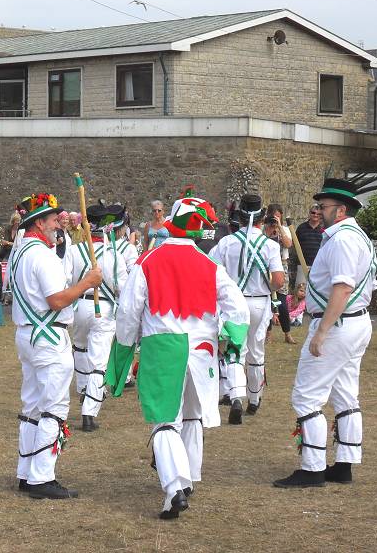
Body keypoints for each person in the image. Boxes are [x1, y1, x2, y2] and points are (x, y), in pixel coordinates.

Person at [107, 196, 249, 520]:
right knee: (191, 415)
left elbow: (128, 313)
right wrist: (230, 337)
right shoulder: (210, 265)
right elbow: (238, 309)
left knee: (164, 419)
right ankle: (188, 479)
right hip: (202, 350)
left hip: (163, 347)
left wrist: (125, 348)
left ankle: (174, 489)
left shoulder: (148, 261)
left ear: (171, 220)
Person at [274, 175, 377, 489]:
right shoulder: (358, 237)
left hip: (337, 325)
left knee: (307, 397)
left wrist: (321, 331)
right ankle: (345, 464)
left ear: (342, 209)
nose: (318, 211)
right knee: (345, 393)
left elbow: (343, 287)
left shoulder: (343, 239)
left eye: (323, 206)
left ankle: (312, 469)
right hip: (354, 323)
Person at [8, 192, 102, 500]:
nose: (57, 225)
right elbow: (56, 300)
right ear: (38, 223)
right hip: (48, 338)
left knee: (32, 404)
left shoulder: (19, 252)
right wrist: (87, 283)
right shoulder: (42, 255)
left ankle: (26, 472)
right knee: (54, 406)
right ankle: (42, 477)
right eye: (52, 220)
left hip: (28, 335)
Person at [209, 194, 284, 423]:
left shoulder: (226, 243)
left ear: (238, 218)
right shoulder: (270, 246)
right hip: (259, 302)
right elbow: (279, 281)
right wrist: (264, 286)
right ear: (263, 218)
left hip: (233, 304)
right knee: (256, 351)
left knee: (235, 350)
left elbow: (211, 272)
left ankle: (236, 397)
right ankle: (254, 399)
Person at [63, 202, 137, 432]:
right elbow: (124, 289)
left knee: (81, 351)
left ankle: (85, 391)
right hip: (103, 311)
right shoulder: (115, 254)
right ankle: (89, 412)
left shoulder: (74, 251)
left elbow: (65, 282)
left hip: (79, 309)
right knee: (98, 362)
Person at [265, 203, 295, 344]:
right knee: (268, 301)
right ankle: (268, 333)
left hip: (281, 265)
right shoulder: (265, 229)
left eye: (278, 216)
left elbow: (289, 244)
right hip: (266, 266)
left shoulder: (284, 229)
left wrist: (279, 229)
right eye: (273, 216)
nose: (275, 218)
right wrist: (270, 230)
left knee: (281, 303)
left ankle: (287, 333)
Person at [294, 204, 324, 286]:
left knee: (316, 289)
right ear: (309, 213)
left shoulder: (324, 229)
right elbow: (296, 245)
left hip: (319, 266)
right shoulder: (301, 228)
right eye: (313, 213)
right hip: (303, 264)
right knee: (300, 290)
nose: (315, 215)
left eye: (318, 214)